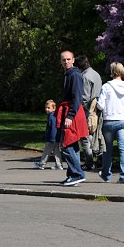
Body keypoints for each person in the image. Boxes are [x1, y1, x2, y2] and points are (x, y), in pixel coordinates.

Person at [97, 61, 124, 183]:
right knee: (123, 148)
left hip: (109, 121)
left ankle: (106, 174)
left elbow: (101, 105)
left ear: (112, 72)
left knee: (108, 149)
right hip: (123, 120)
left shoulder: (106, 87)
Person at [57, 50, 88, 186]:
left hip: (73, 113)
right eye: (64, 60)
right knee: (73, 145)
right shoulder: (68, 74)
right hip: (72, 111)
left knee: (66, 144)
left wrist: (70, 116)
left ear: (73, 60)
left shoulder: (74, 75)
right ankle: (72, 175)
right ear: (61, 61)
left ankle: (78, 174)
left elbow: (77, 98)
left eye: (68, 59)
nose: (66, 62)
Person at [75, 55, 103, 170]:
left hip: (88, 108)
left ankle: (89, 161)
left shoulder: (85, 76)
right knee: (97, 134)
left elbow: (85, 96)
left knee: (85, 136)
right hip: (98, 107)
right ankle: (101, 158)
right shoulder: (96, 74)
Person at [35, 100, 63, 170]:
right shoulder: (54, 115)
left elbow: (53, 128)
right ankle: (59, 165)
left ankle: (41, 164)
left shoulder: (51, 116)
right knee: (56, 151)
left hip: (52, 138)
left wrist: (52, 138)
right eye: (46, 108)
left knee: (46, 151)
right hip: (56, 137)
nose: (46, 109)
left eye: (48, 108)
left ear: (54, 108)